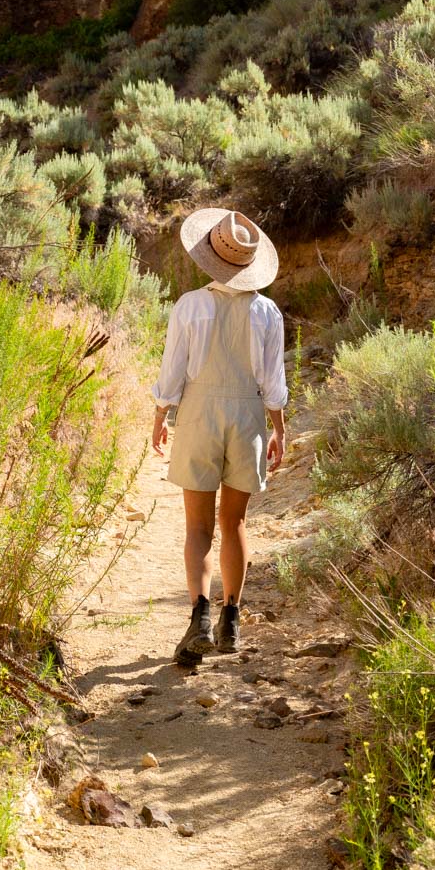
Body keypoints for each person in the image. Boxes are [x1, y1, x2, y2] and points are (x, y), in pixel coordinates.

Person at [150, 207, 287, 665]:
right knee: (236, 523)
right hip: (247, 415)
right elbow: (273, 381)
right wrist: (279, 430)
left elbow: (172, 372)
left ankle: (200, 618)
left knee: (198, 526)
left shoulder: (189, 305)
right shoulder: (267, 311)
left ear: (211, 257)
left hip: (198, 413)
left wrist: (160, 416)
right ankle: (232, 620)